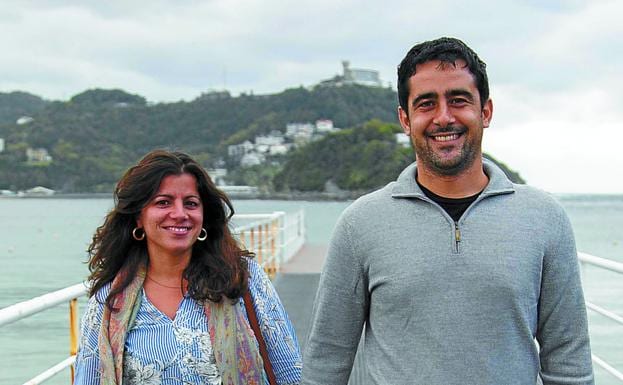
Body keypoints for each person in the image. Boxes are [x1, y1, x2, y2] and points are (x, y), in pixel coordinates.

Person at [301, 37, 594, 385]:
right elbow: (327, 360)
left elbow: (568, 362)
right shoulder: (360, 224)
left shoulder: (545, 219)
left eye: (458, 100)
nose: (444, 117)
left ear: (485, 111)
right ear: (405, 119)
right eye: (426, 104)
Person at [74, 150, 302, 385]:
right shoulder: (109, 301)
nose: (180, 214)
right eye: (163, 202)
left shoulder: (242, 278)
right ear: (138, 217)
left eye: (191, 203)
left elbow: (289, 372)